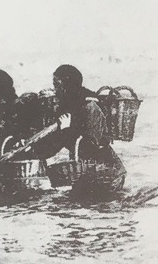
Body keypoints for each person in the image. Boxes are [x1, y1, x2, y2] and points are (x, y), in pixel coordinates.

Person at [38, 64, 126, 196]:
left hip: (107, 174)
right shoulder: (67, 108)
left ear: (68, 85)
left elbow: (90, 148)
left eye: (57, 85)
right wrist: (31, 148)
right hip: (85, 173)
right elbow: (53, 146)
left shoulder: (90, 107)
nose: (55, 90)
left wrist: (67, 129)